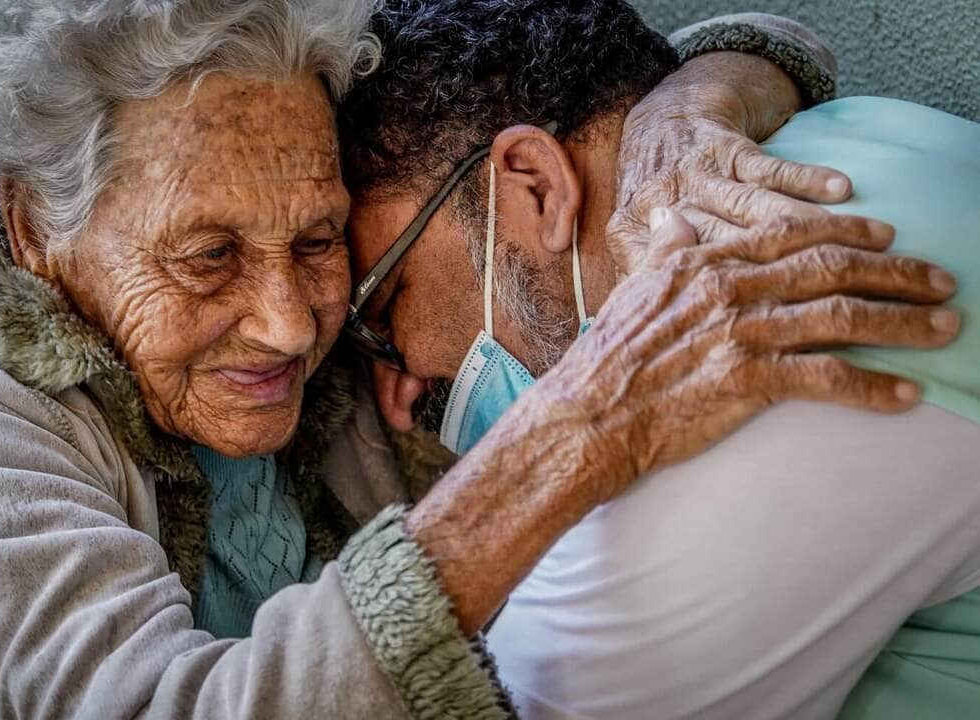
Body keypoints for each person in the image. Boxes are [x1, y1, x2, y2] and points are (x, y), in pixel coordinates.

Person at [0, 1, 957, 719]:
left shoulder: (301, 237)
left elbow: (572, 103)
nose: (290, 325)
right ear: (32, 231)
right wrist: (576, 431)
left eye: (321, 244)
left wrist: (711, 80)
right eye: (208, 256)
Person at [336, 1, 980, 717]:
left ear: (535, 186)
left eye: (385, 307)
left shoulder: (743, 370)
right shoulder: (862, 135)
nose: (397, 397)